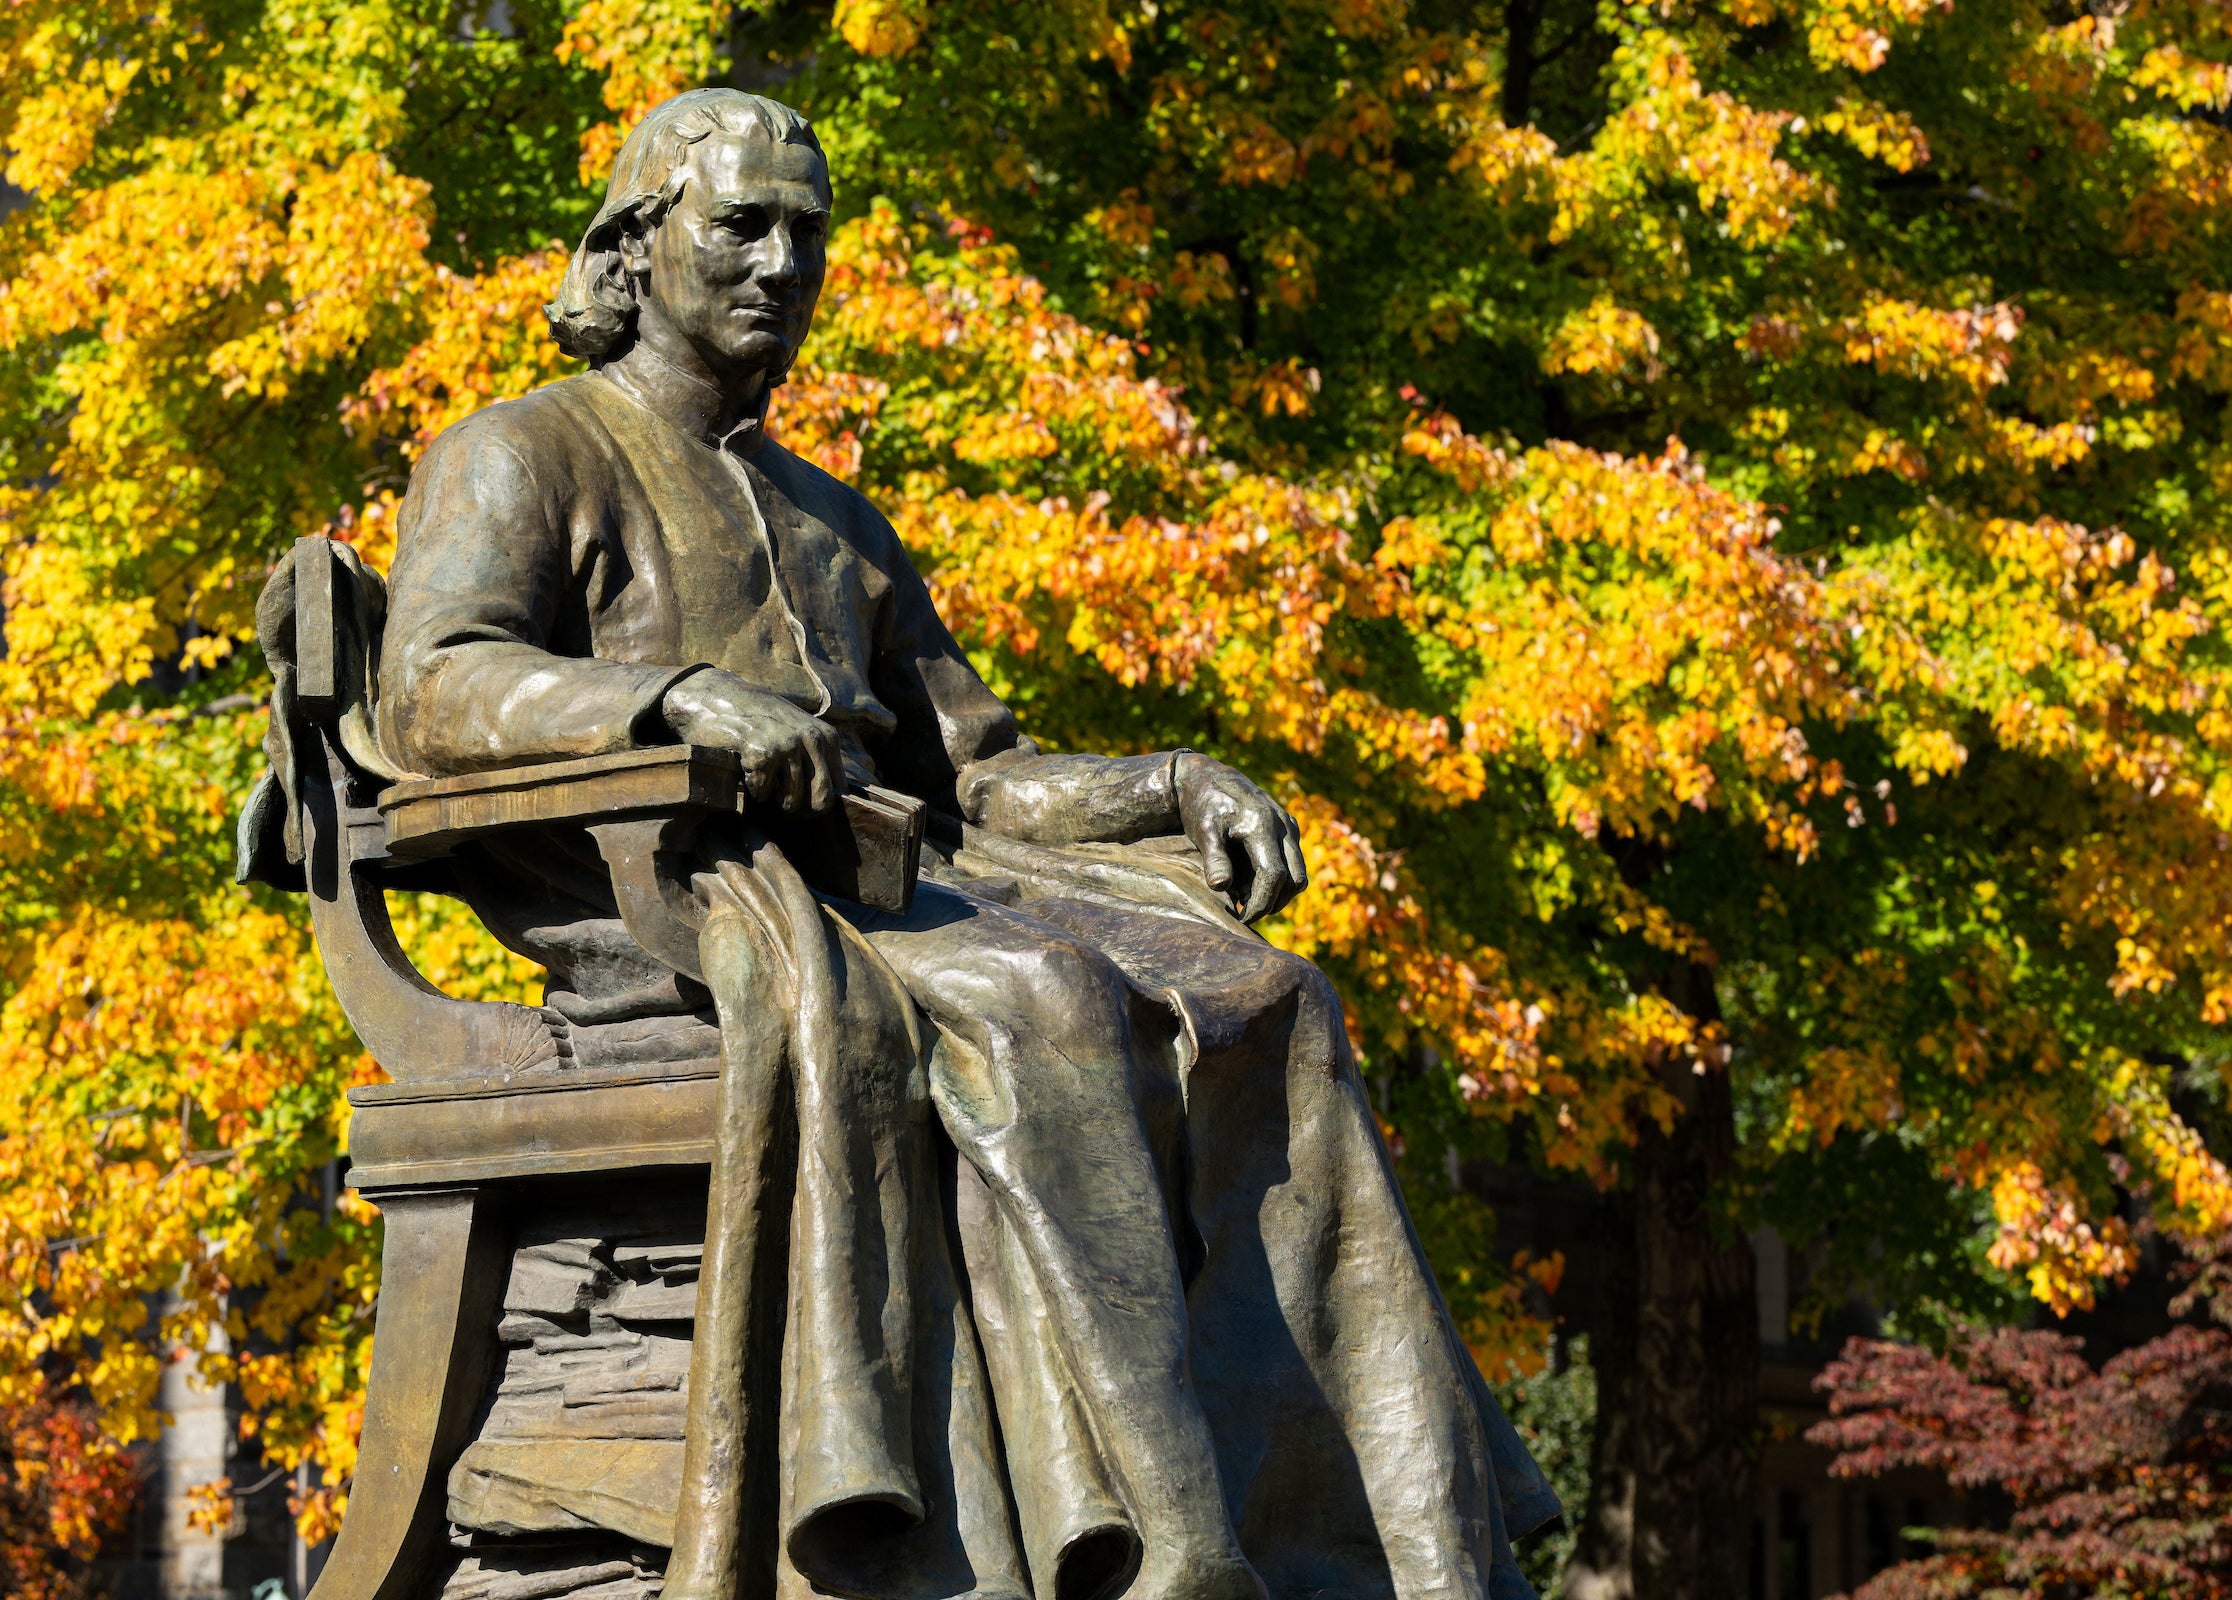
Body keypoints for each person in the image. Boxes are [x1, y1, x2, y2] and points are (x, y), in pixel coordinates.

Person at [373, 86, 1556, 1600]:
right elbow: (433, 682)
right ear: (636, 241)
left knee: (1279, 1003)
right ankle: (1171, 1552)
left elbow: (981, 776)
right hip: (674, 897)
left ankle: (1384, 1556)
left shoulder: (836, 521)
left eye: (808, 235)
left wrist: (1170, 781)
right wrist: (671, 698)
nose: (780, 265)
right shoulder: (525, 453)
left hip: (909, 880)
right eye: (741, 224)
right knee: (1048, 1007)